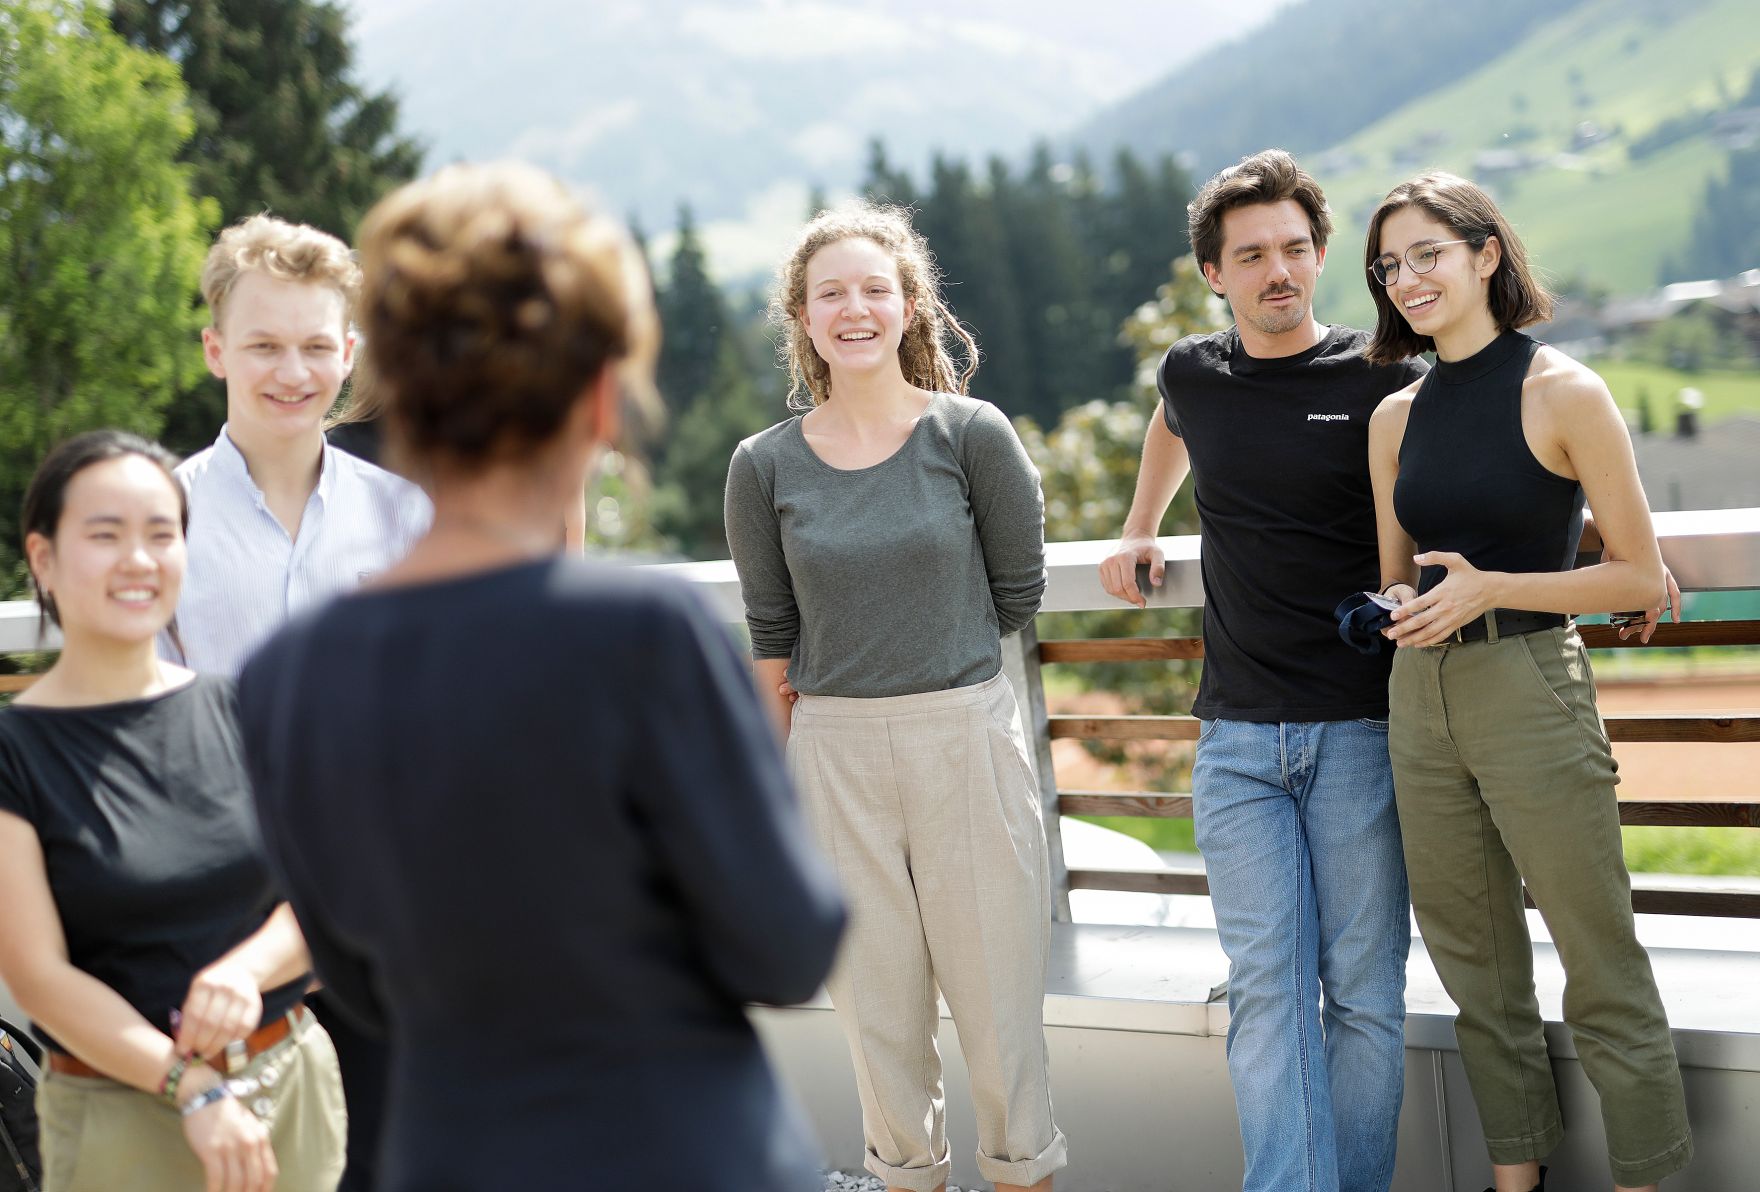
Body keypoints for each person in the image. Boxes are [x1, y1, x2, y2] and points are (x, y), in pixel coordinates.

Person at [233, 162, 845, 1192]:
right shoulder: (642, 633)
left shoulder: (286, 676)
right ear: (599, 398)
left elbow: (359, 985)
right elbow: (786, 947)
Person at [1096, 149, 1425, 1192]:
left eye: (1293, 248)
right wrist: (1138, 520)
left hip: (1359, 729)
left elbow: (1472, 469)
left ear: (1321, 254)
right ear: (1213, 273)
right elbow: (1171, 418)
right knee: (1265, 990)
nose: (1276, 270)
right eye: (1251, 255)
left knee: (1364, 992)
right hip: (1234, 737)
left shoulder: (1385, 374)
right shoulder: (1193, 371)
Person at [725, 201, 1065, 1192]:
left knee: (1002, 1028)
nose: (855, 308)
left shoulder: (970, 434)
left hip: (963, 738)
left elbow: (1016, 592)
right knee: (880, 1033)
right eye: (830, 292)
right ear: (802, 315)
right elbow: (771, 643)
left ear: (909, 303)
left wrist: (936, 673)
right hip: (831, 757)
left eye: (874, 287)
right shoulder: (763, 465)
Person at [1364, 172, 1692, 1192]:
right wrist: (1396, 607)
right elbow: (1393, 573)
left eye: (1426, 253)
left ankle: (1644, 1175)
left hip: (1530, 683)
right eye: (1386, 265)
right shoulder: (1392, 416)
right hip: (1418, 700)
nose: (1405, 278)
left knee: (1598, 963)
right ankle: (1515, 1179)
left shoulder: (1563, 391)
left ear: (1483, 254)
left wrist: (1494, 587)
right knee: (1475, 970)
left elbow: (1637, 574)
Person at [0, 430, 345, 1192]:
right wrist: (191, 1087)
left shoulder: (245, 709)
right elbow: (37, 977)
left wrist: (247, 971)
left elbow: (325, 897)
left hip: (288, 1088)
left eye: (163, 534)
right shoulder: (14, 748)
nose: (140, 559)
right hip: (119, 1118)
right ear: (45, 558)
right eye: (105, 534)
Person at [172, 212, 431, 1190]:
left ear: (350, 352)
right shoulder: (159, 517)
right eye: (264, 345)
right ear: (214, 350)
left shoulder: (408, 518)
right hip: (214, 924)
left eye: (316, 346)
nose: (292, 370)